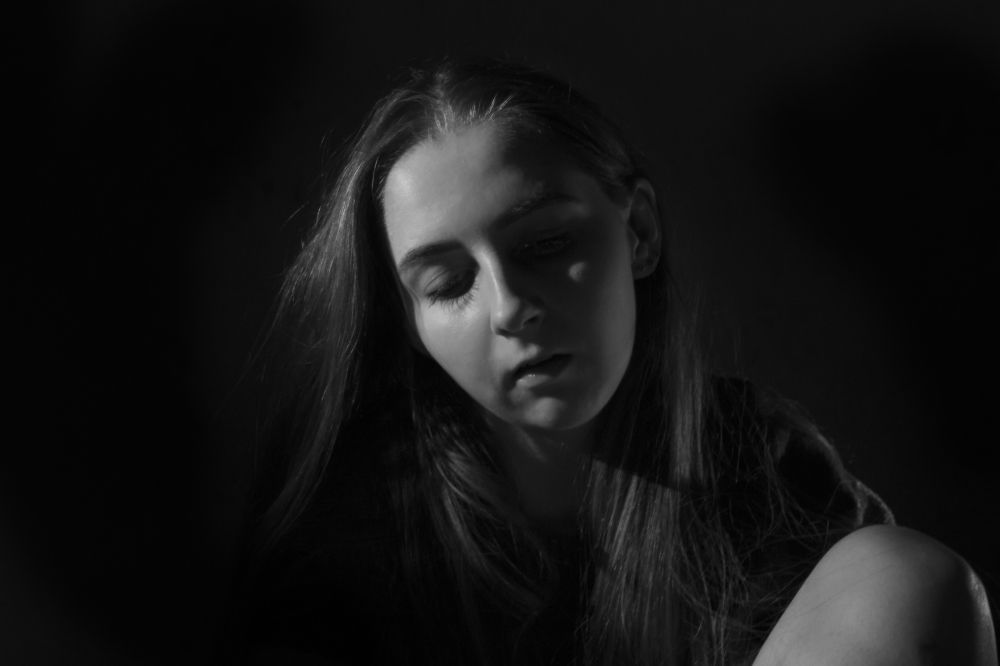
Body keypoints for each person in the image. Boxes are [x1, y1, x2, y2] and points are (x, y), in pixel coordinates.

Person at [238, 58, 997, 665]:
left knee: (902, 572)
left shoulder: (753, 463)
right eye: (448, 284)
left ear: (639, 233)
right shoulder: (352, 518)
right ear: (409, 327)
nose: (509, 308)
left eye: (546, 244)